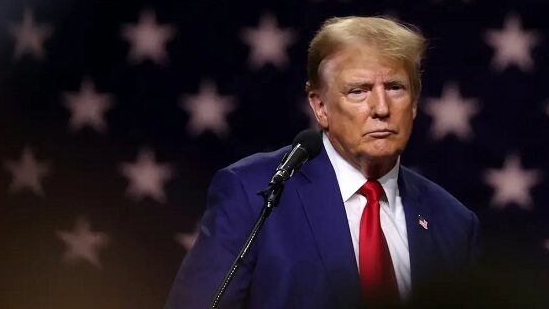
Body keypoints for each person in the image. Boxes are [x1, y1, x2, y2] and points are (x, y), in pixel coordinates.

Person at [165, 16, 479, 309]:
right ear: (320, 107)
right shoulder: (256, 194)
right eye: (359, 91)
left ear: (414, 104)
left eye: (395, 88)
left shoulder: (452, 222)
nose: (381, 108)